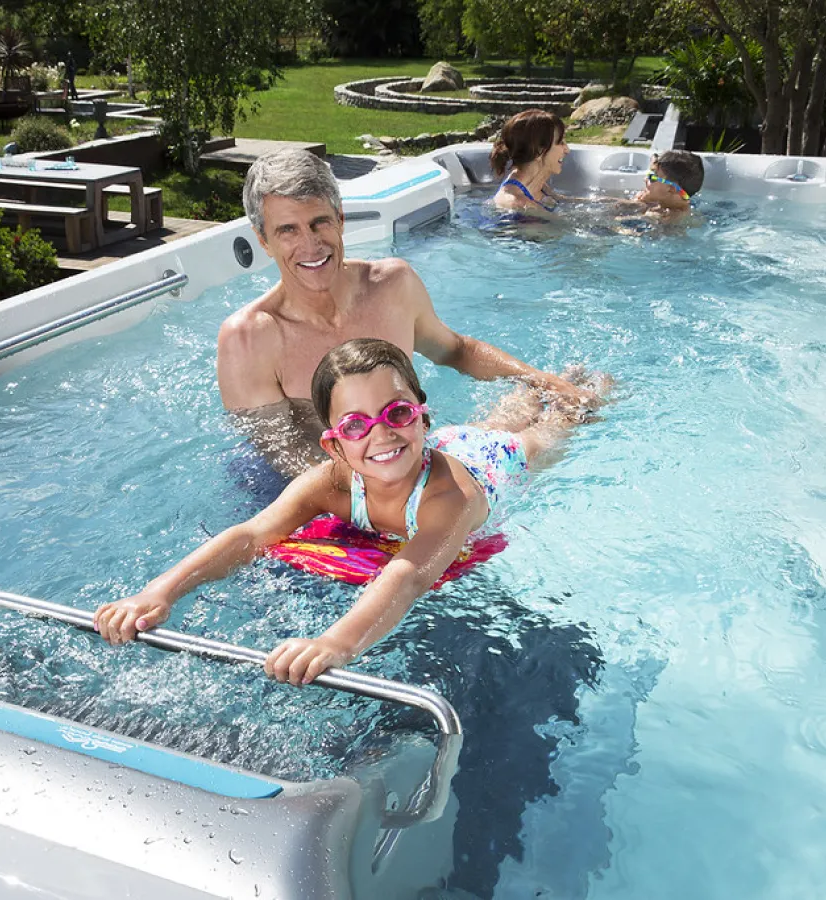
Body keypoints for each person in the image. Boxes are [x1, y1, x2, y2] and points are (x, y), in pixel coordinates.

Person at [94, 338, 586, 683]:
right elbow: (252, 534)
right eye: (355, 425)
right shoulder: (331, 480)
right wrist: (156, 593)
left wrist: (337, 643)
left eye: (397, 413)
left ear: (422, 414)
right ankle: (528, 394)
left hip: (487, 465)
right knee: (495, 418)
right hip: (442, 444)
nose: (381, 433)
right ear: (332, 445)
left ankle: (586, 385)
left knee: (544, 431)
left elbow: (408, 576)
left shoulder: (450, 498)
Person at [218, 148, 598, 477]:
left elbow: (457, 351)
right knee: (533, 439)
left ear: (341, 220)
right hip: (332, 490)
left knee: (565, 403)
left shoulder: (392, 285)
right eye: (288, 230)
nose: (310, 245)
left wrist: (541, 380)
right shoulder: (250, 339)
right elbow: (283, 455)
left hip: (406, 456)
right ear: (264, 240)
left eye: (320, 222)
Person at [490, 109, 570, 215]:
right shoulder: (518, 204)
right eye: (560, 142)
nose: (567, 150)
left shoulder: (539, 186)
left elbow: (565, 201)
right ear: (539, 152)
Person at [618, 150, 705, 222]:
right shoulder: (666, 203)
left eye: (652, 178)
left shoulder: (667, 217)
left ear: (671, 189)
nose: (645, 179)